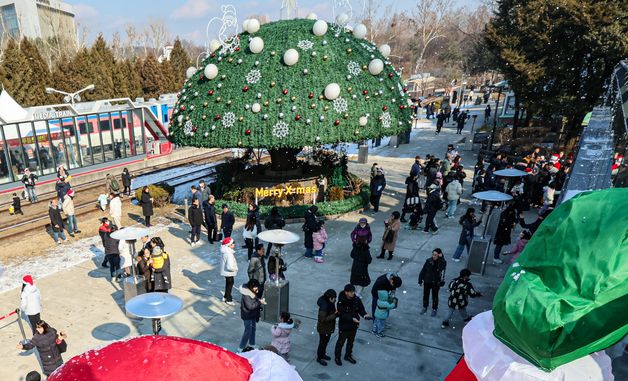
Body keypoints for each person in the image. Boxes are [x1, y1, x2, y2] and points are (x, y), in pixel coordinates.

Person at [334, 284, 370, 366]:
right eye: (351, 292)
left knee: (351, 342)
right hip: (344, 326)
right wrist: (351, 318)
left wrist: (364, 315)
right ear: (346, 292)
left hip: (354, 325)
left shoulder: (356, 299)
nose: (353, 293)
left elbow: (361, 309)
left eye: (353, 291)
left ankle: (348, 355)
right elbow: (342, 314)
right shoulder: (340, 302)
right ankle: (337, 357)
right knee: (340, 342)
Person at [238, 279, 266, 351]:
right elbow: (250, 306)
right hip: (247, 315)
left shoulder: (251, 292)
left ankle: (252, 344)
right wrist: (260, 303)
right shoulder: (246, 295)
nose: (257, 289)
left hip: (252, 315)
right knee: (247, 332)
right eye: (255, 287)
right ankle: (241, 348)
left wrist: (259, 301)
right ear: (251, 287)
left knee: (253, 329)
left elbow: (254, 301)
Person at [418, 249, 447, 316]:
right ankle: (425, 307)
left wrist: (440, 258)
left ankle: (434, 309)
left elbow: (441, 268)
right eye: (433, 254)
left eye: (435, 255)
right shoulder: (428, 261)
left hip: (436, 282)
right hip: (427, 281)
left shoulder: (442, 262)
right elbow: (423, 270)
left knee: (435, 296)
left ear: (439, 255)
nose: (433, 256)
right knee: (425, 295)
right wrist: (420, 279)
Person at [316, 289, 338, 366]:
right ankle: (319, 357)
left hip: (328, 328)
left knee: (325, 342)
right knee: (322, 343)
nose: (335, 299)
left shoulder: (329, 303)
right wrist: (335, 315)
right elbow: (322, 319)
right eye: (334, 298)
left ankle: (323, 354)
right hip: (323, 328)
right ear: (329, 298)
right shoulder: (324, 306)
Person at [220, 237, 238, 305]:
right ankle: (229, 299)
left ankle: (225, 296)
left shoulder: (225, 251)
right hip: (229, 272)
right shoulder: (229, 253)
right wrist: (235, 269)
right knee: (230, 285)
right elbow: (230, 266)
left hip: (225, 272)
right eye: (233, 243)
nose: (234, 244)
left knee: (228, 284)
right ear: (229, 245)